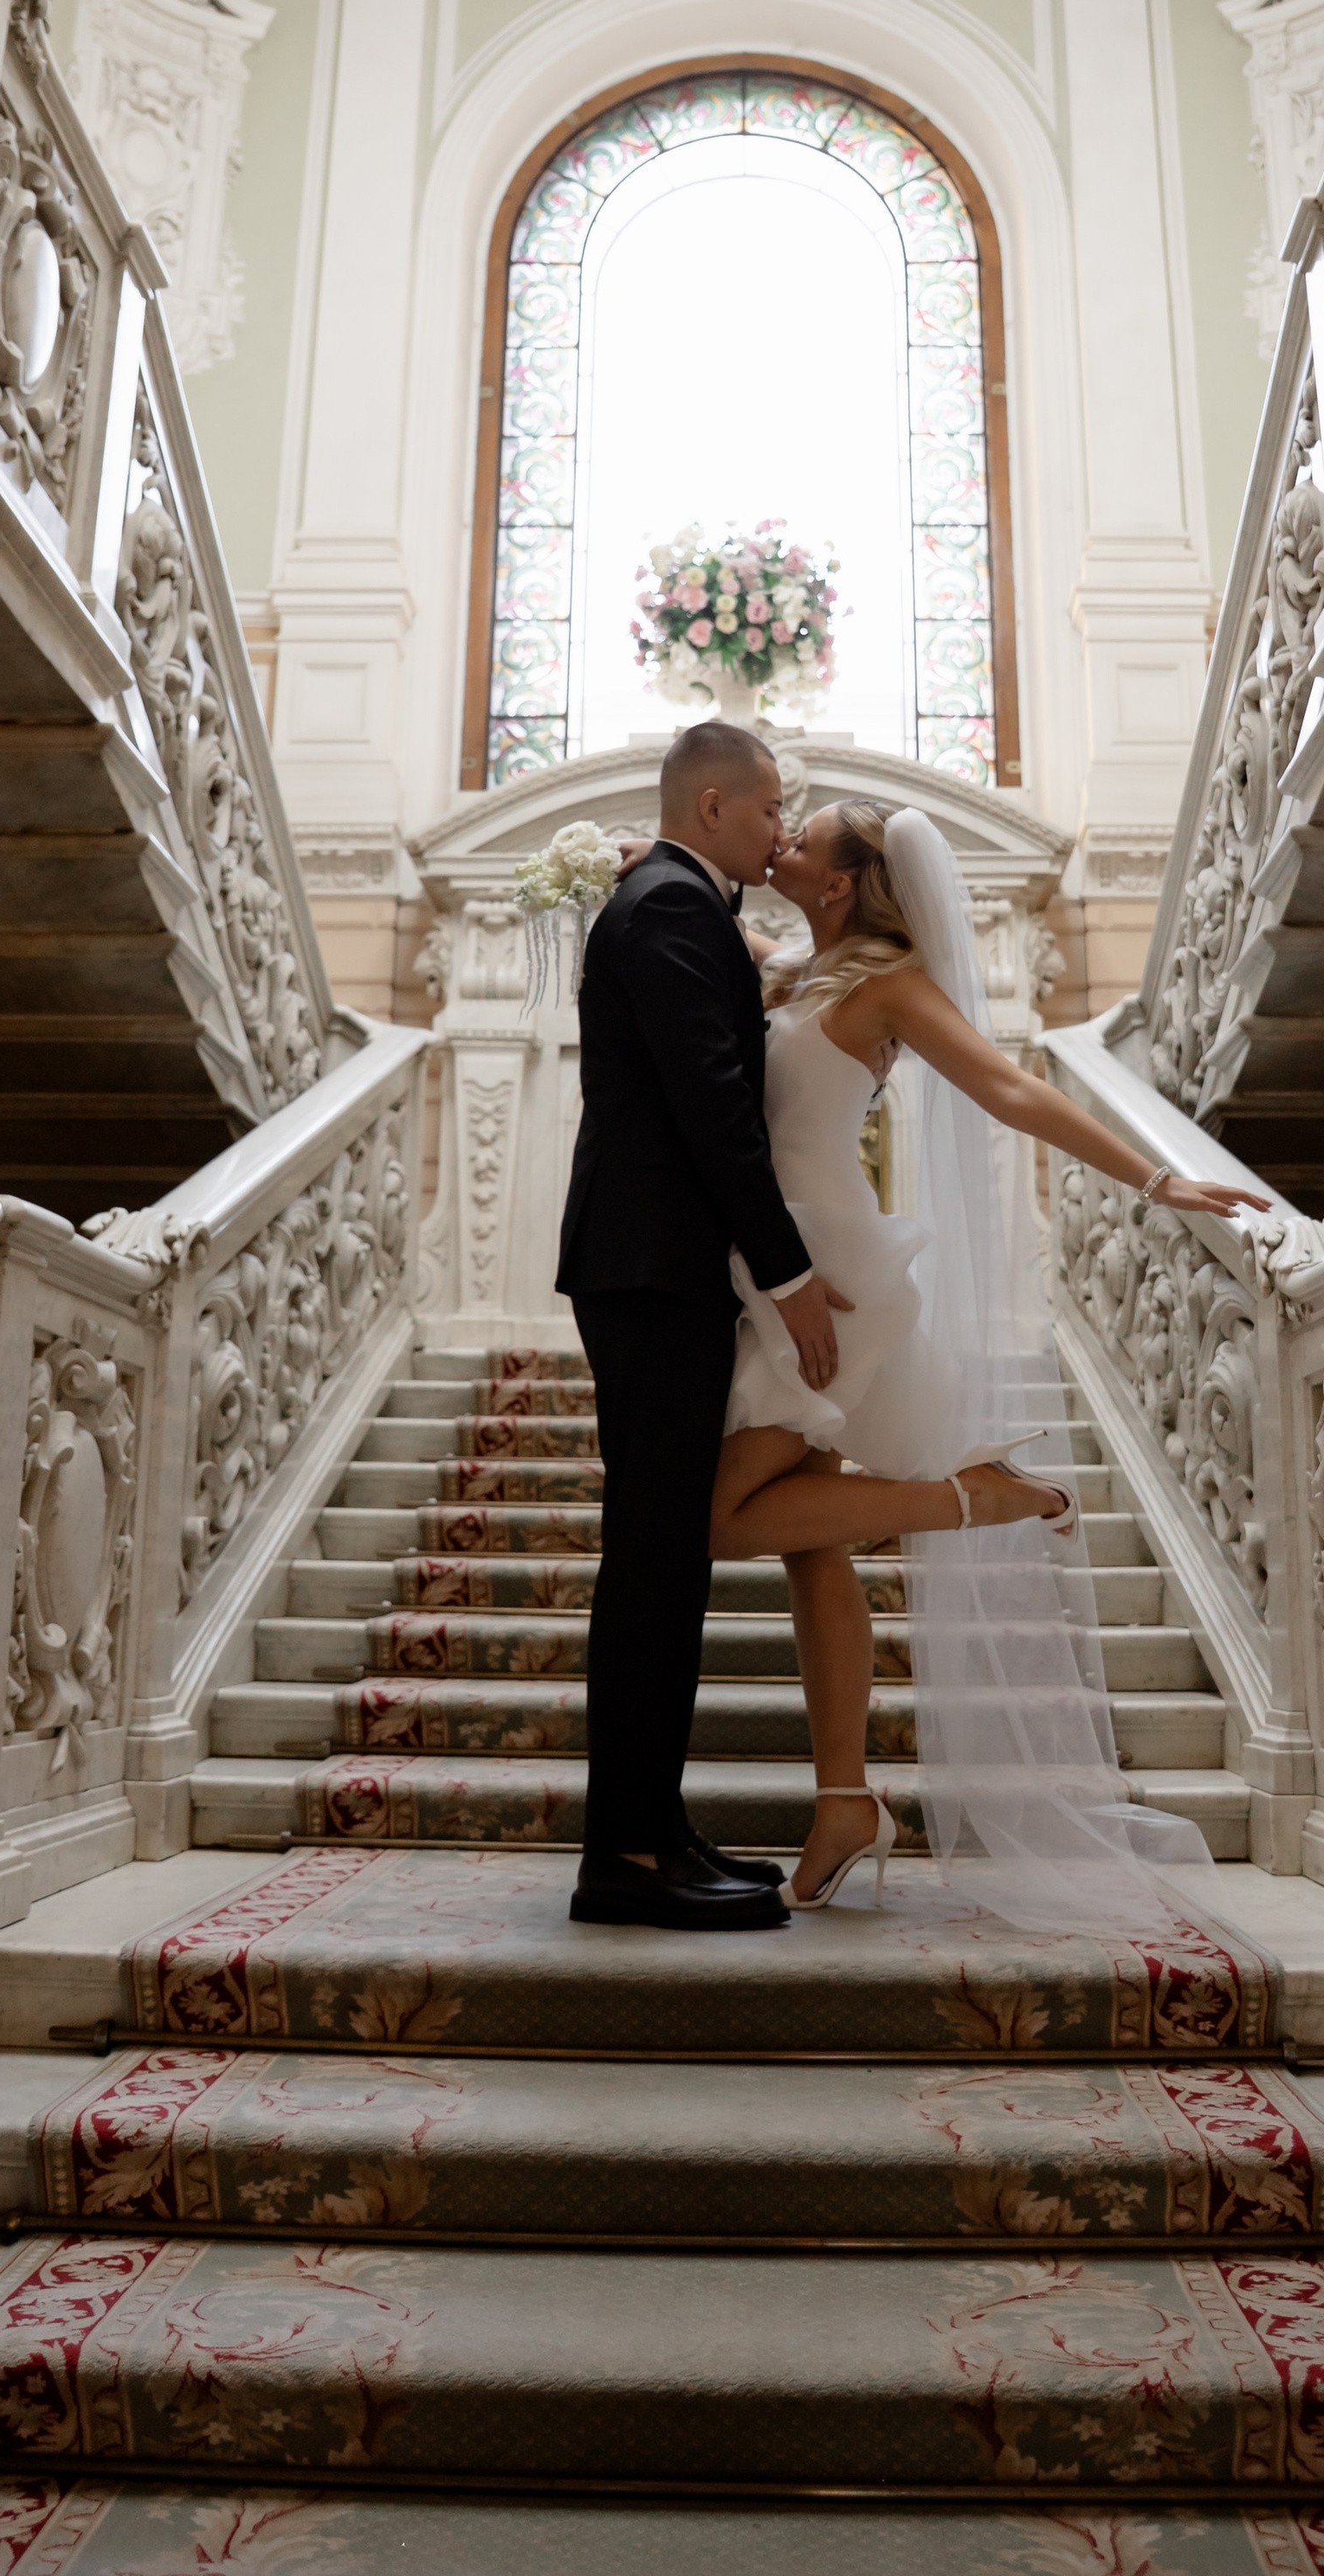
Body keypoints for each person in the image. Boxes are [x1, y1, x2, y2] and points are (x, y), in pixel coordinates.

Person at [708, 795, 1269, 1918]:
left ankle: (978, 1498)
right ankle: (843, 1799)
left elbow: (1008, 1087)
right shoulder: (794, 968)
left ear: (844, 878)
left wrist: (1157, 1178)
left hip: (832, 1276)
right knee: (810, 1550)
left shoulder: (886, 984)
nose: (788, 834)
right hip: (769, 1270)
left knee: (718, 1520)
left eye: (807, 829)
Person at [555, 718, 849, 1931]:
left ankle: (650, 1828)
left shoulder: (675, 893)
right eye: (772, 806)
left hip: (656, 1267)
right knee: (653, 1563)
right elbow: (712, 1103)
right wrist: (788, 1273)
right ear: (716, 803)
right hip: (655, 1267)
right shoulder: (672, 905)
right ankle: (624, 1855)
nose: (783, 828)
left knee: (665, 1560)